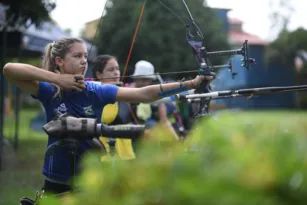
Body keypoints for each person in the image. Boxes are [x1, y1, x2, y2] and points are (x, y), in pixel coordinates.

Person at [3, 37, 211, 196]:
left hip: (90, 178)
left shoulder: (95, 90)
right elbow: (9, 70)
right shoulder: (50, 90)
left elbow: (143, 94)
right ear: (59, 61)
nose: (84, 61)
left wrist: (191, 84)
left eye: (85, 56)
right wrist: (58, 79)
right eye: (77, 56)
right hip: (56, 179)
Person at [91, 54, 136, 161]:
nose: (116, 73)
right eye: (111, 70)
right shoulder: (95, 94)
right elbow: (105, 118)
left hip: (127, 154)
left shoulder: (121, 92)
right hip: (107, 156)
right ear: (99, 74)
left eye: (117, 69)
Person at [127, 60, 180, 142]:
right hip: (128, 135)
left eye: (148, 79)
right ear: (136, 78)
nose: (146, 83)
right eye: (143, 79)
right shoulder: (125, 92)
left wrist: (177, 141)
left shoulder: (155, 94)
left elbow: (164, 121)